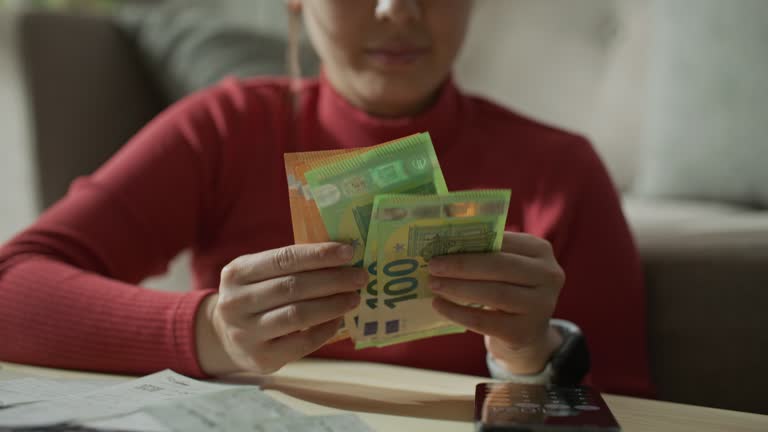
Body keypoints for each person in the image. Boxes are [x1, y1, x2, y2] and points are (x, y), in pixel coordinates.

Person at [0, 0, 652, 396]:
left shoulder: (560, 170)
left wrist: (526, 365)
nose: (398, 10)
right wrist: (214, 331)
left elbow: (631, 409)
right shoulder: (223, 129)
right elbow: (12, 289)